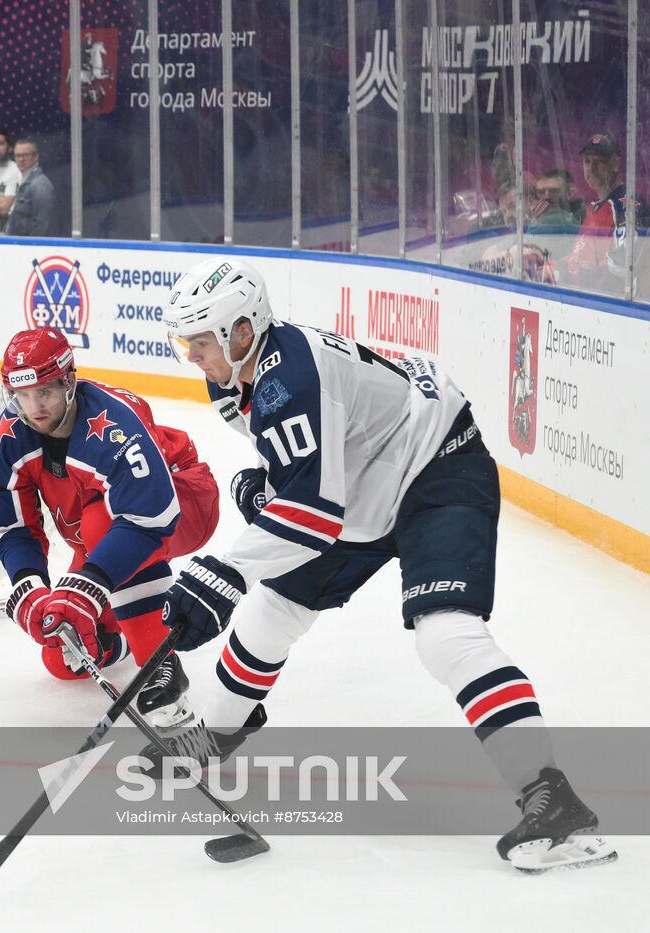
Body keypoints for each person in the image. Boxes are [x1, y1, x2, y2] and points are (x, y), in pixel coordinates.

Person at [158, 256, 614, 871]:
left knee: (445, 635)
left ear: (243, 330)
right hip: (365, 484)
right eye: (184, 344)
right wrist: (269, 495)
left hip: (438, 466)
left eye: (201, 343)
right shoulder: (234, 379)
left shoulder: (286, 372)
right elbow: (314, 470)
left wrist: (225, 571)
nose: (193, 357)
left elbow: (315, 511)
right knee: (273, 607)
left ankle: (553, 800)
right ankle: (215, 735)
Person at [0, 326, 219, 744]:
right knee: (64, 656)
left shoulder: (113, 426)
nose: (34, 407)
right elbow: (12, 527)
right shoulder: (5, 442)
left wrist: (90, 584)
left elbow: (150, 517)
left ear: (69, 381)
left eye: (46, 393)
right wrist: (29, 585)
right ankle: (121, 640)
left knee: (98, 524)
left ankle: (164, 682)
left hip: (182, 501)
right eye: (23, 396)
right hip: (104, 533)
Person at [563, 132, 643, 293]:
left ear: (615, 164)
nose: (591, 169)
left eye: (599, 162)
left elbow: (622, 267)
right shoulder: (592, 208)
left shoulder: (624, 206)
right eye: (587, 161)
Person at [4, 137, 56, 237]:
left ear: (36, 156)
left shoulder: (40, 185)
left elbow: (42, 225)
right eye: (17, 155)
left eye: (25, 155)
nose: (21, 159)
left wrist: (31, 248)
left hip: (29, 248)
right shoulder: (24, 182)